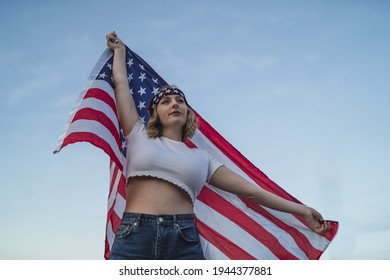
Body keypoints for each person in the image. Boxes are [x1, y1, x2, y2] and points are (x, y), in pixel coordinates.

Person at [105, 31, 332, 260]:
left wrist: (301, 210)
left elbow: (253, 192)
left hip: (183, 240)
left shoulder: (202, 159)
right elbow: (121, 83)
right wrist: (120, 51)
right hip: (134, 234)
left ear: (188, 113)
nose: (175, 104)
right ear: (156, 113)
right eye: (166, 102)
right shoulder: (137, 134)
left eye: (180, 101)